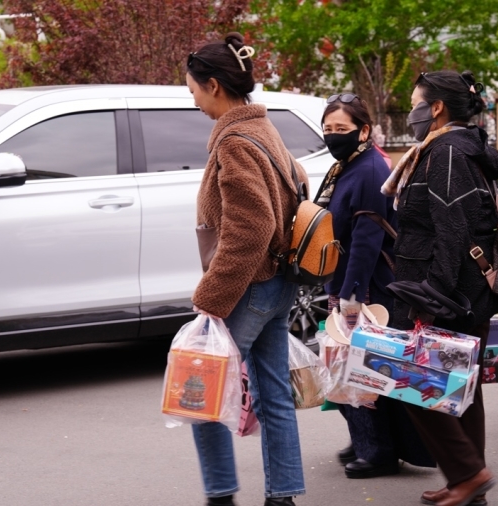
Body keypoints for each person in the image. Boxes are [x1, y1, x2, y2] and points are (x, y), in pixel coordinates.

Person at [185, 32, 308, 506]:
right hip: (278, 285)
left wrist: (210, 299)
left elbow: (251, 230)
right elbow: (297, 183)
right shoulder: (263, 128)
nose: (193, 100)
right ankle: (283, 496)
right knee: (273, 395)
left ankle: (220, 494)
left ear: (214, 86)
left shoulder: (235, 141)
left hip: (249, 288)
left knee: (198, 389)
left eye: (193, 90)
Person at [381, 70, 498, 506]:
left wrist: (431, 301)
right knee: (462, 388)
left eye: (415, 104)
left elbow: (452, 230)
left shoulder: (448, 153)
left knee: (414, 382)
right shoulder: (456, 148)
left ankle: (469, 474)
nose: (411, 113)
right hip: (464, 291)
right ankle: (467, 483)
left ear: (436, 107)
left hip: (449, 293)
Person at [314, 93, 435, 479]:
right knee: (354, 366)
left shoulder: (367, 170)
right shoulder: (346, 166)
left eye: (342, 128)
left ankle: (378, 451)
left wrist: (350, 297)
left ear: (363, 131)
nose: (333, 135)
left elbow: (366, 239)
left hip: (366, 287)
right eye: (328, 128)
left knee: (362, 369)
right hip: (350, 282)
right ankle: (366, 439)